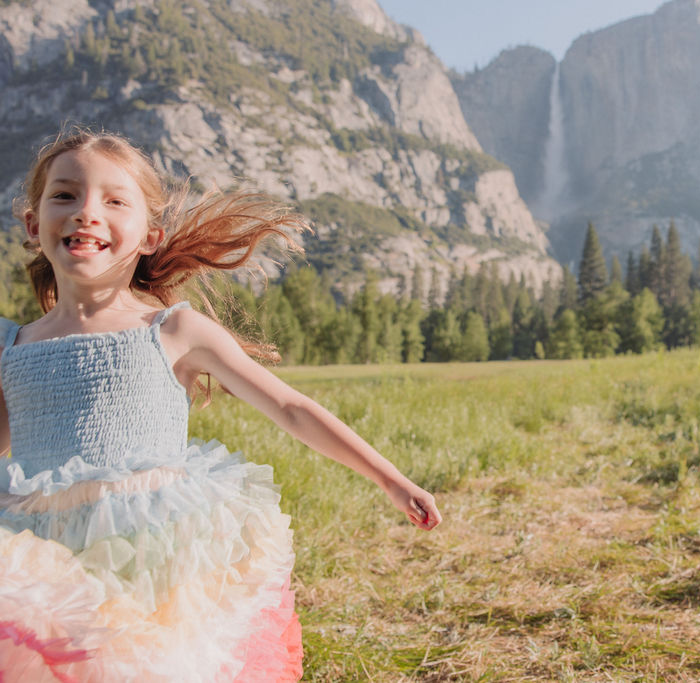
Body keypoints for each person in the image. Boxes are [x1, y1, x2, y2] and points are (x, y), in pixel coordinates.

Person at [0, 129, 441, 681]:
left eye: (115, 201)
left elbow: (290, 407)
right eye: (65, 195)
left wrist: (390, 479)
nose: (86, 212)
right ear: (32, 224)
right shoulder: (12, 347)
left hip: (149, 557)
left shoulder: (173, 330)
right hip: (43, 566)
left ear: (150, 236)